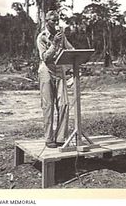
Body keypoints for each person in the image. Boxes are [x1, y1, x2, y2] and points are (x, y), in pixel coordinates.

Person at [37, 10, 74, 148]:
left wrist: (74, 58)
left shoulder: (61, 36)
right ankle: (49, 138)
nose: (56, 23)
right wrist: (54, 43)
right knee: (48, 105)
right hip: (46, 70)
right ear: (47, 21)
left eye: (57, 20)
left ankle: (60, 137)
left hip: (60, 70)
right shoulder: (42, 37)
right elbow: (45, 57)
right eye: (53, 20)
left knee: (64, 104)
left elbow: (71, 49)